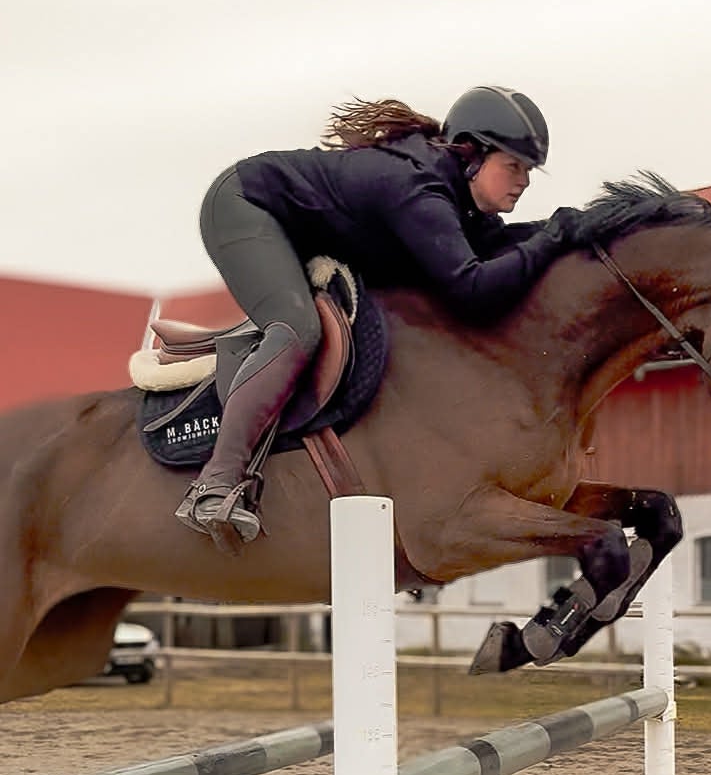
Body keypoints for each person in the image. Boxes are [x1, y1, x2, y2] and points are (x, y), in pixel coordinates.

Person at [174, 85, 581, 545]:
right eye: (514, 165)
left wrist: (577, 228)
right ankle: (216, 482)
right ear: (471, 155)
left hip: (285, 223)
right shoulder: (416, 188)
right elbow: (473, 288)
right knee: (298, 329)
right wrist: (555, 237)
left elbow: (499, 248)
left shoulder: (454, 197)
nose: (523, 180)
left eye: (527, 170)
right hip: (244, 207)